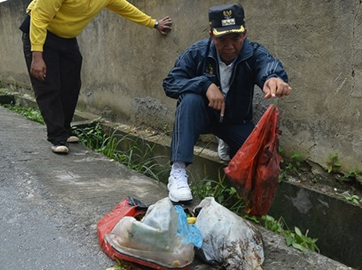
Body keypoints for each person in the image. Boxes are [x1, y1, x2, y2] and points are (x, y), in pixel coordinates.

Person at [163, 3, 291, 202]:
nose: (229, 46)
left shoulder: (253, 52)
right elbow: (170, 83)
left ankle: (229, 147)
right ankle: (178, 172)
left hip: (234, 120)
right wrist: (204, 85)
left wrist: (273, 78)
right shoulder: (197, 52)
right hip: (204, 116)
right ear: (211, 35)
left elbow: (268, 65)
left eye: (236, 38)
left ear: (245, 34)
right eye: (222, 39)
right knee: (189, 98)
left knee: (263, 151)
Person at [21, 0, 172, 154]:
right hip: (40, 33)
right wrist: (37, 56)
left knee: (71, 86)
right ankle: (56, 136)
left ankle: (65, 129)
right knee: (48, 85)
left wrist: (153, 23)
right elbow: (39, 18)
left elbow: (125, 8)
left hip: (67, 38)